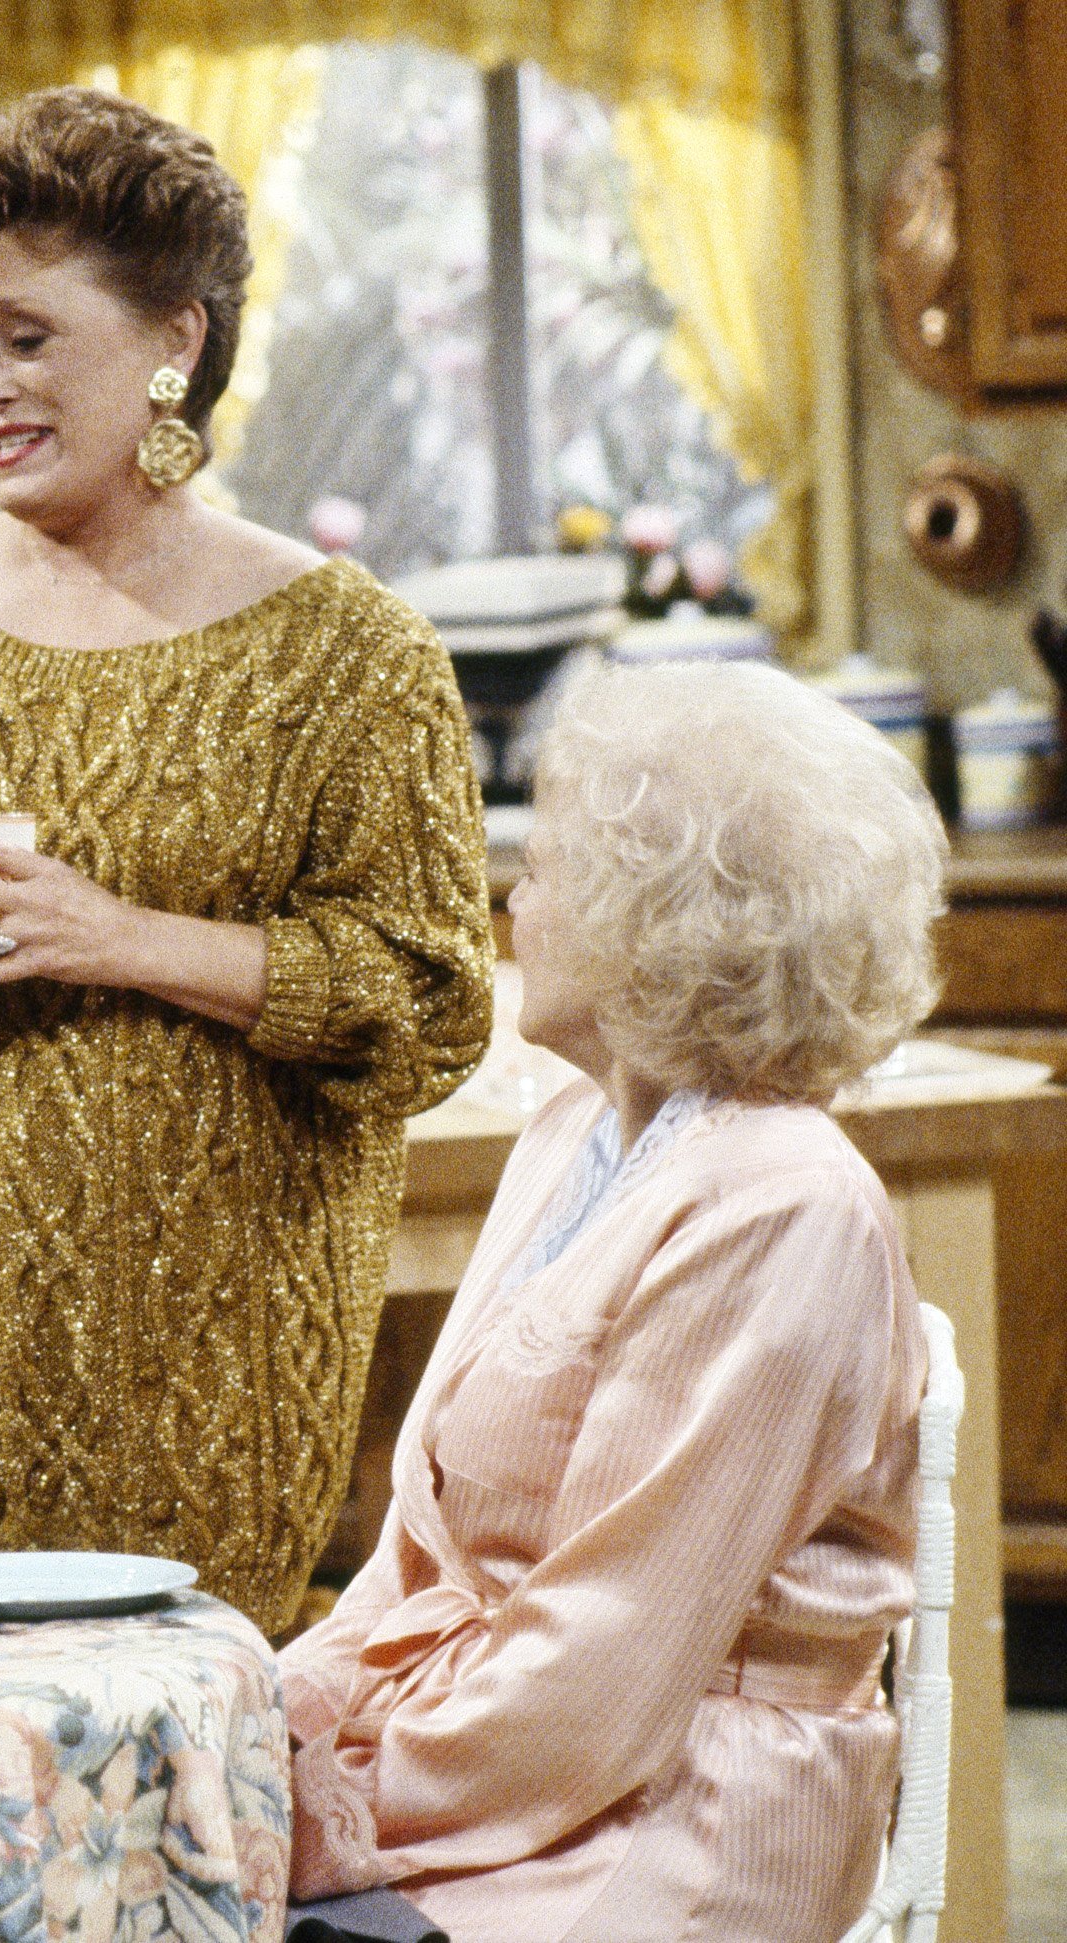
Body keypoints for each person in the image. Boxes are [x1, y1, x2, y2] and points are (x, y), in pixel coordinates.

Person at [0, 85, 493, 1629]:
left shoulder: (351, 650)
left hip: (216, 1359)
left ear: (174, 337)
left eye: (30, 337)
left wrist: (117, 935)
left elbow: (434, 1000)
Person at [281, 661, 940, 1939]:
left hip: (675, 1819)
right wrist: (273, 1717)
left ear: (669, 913)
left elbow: (607, 1663)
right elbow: (419, 1541)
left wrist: (332, 1802)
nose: (511, 898)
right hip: (512, 1765)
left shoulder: (783, 1204)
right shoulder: (570, 1138)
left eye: (552, 866)